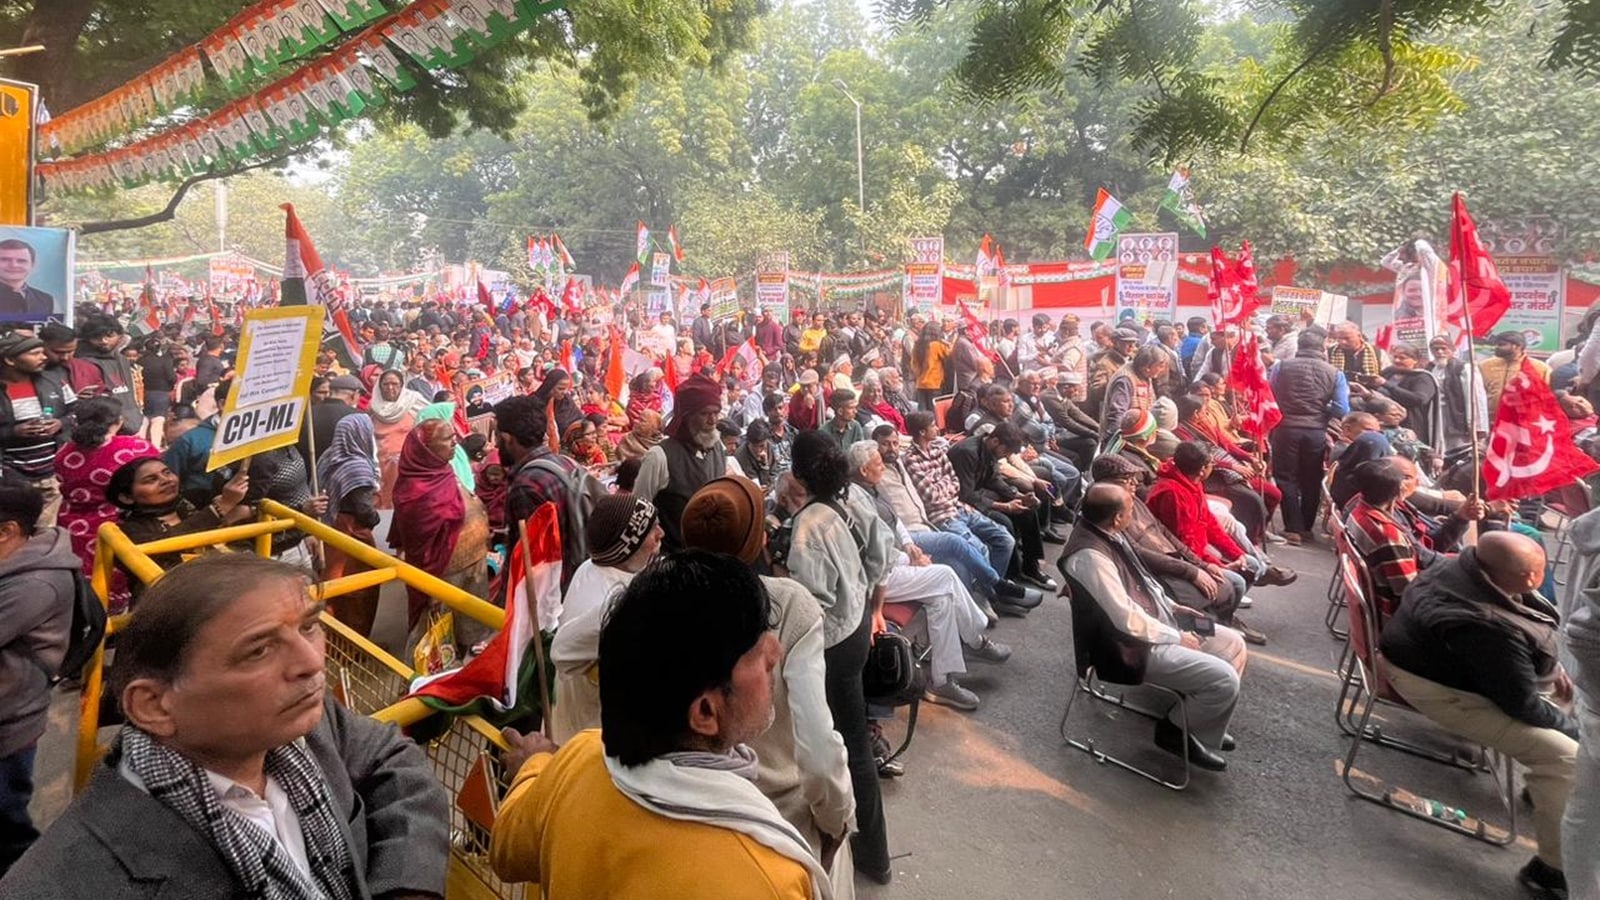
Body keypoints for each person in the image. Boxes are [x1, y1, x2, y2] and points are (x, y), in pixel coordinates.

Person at [1, 555, 451, 898]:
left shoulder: (306, 727)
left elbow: (394, 762)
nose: (312, 662)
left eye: (309, 627)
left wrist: (406, 885)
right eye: (258, 651)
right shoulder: (64, 882)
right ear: (154, 705)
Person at [490, 551, 823, 899]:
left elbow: (506, 851)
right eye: (755, 652)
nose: (775, 653)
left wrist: (535, 766)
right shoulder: (772, 878)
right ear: (706, 713)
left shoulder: (579, 758)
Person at [1379, 532, 1575, 900]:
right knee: (1566, 755)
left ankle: (1545, 791)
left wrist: (1547, 671)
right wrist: (1580, 733)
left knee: (1562, 710)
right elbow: (1523, 705)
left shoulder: (1457, 568)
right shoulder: (1486, 624)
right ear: (1533, 577)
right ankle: (1551, 870)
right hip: (1435, 688)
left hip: (1431, 665)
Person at [1061, 483, 1246, 772]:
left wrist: (1173, 608)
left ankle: (1197, 723)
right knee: (1224, 680)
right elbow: (1124, 618)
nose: (1134, 512)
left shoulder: (1110, 534)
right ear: (1117, 518)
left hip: (1158, 621)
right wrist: (1176, 636)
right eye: (1130, 509)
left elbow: (1144, 583)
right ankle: (1173, 731)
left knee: (1233, 643)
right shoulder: (1089, 555)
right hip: (1126, 647)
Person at [785, 430, 894, 885]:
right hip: (857, 628)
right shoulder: (854, 501)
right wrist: (871, 606)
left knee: (840, 741)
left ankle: (861, 850)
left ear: (798, 474)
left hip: (830, 642)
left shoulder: (808, 525)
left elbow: (812, 602)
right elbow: (881, 556)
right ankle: (876, 853)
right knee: (853, 736)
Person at [845, 440, 1011, 710]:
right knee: (943, 576)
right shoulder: (856, 500)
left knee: (941, 599)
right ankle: (975, 638)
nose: (882, 466)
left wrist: (911, 548)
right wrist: (877, 607)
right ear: (864, 470)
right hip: (871, 577)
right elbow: (879, 559)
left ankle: (940, 681)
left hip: (889, 559)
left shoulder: (873, 489)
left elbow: (895, 522)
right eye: (877, 464)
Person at [0, 474, 78, 875]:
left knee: (8, 825)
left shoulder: (35, 582)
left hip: (10, 725)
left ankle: (28, 880)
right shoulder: (15, 564)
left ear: (7, 531)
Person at [548, 495, 663, 743]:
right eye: (652, 530)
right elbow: (560, 652)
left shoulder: (593, 567)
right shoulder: (612, 602)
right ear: (628, 547)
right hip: (587, 740)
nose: (661, 534)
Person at [53, 396, 158, 611]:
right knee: (116, 578)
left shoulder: (63, 453)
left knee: (84, 581)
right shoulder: (135, 448)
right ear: (118, 421)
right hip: (116, 526)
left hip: (73, 527)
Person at [389, 419, 488, 636]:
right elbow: (421, 547)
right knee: (442, 638)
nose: (455, 443)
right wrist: (430, 587)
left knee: (474, 629)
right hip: (445, 572)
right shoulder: (414, 490)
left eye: (454, 437)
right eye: (447, 439)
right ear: (426, 448)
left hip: (472, 560)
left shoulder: (443, 470)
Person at [1269, 331, 1349, 545]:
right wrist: (1321, 409)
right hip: (1315, 431)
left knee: (1286, 478)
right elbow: (1342, 408)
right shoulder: (1335, 373)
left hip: (1285, 428)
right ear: (1323, 349)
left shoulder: (1281, 367)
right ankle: (1306, 527)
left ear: (1299, 347)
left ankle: (1292, 528)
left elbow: (1270, 395)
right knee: (1311, 478)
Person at [633, 373, 726, 550]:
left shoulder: (718, 448)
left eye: (716, 413)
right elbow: (640, 510)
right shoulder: (659, 456)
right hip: (674, 558)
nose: (713, 421)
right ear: (687, 416)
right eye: (705, 413)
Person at [316, 416, 383, 636]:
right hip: (354, 531)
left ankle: (335, 638)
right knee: (360, 591)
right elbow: (364, 509)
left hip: (333, 528)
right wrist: (376, 519)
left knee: (335, 582)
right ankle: (356, 644)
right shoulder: (358, 467)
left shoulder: (329, 456)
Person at [0, 332, 68, 526]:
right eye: (36, 353)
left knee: (44, 534)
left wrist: (61, 423)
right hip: (10, 477)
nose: (44, 357)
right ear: (10, 360)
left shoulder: (52, 382)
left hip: (50, 475)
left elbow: (75, 411)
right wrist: (13, 432)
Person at [366, 370, 428, 509]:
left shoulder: (414, 402)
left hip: (409, 465)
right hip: (381, 465)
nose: (390, 388)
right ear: (379, 386)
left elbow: (430, 427)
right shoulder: (373, 408)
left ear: (402, 386)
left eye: (395, 384)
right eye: (385, 384)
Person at [76, 314, 144, 437]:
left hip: (130, 423)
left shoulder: (121, 359)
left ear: (120, 335)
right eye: (96, 337)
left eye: (110, 336)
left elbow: (128, 393)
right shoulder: (84, 362)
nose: (104, 341)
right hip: (105, 430)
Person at [1481, 330, 1552, 417]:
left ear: (1518, 346)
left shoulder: (1540, 368)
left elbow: (1547, 397)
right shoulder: (1485, 366)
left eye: (1502, 345)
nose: (1497, 347)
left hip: (1523, 422)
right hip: (1491, 421)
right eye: (1496, 344)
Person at [0, 240, 52, 319]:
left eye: (21, 261)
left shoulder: (45, 299)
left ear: (32, 265)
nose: (13, 265)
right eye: (5, 259)